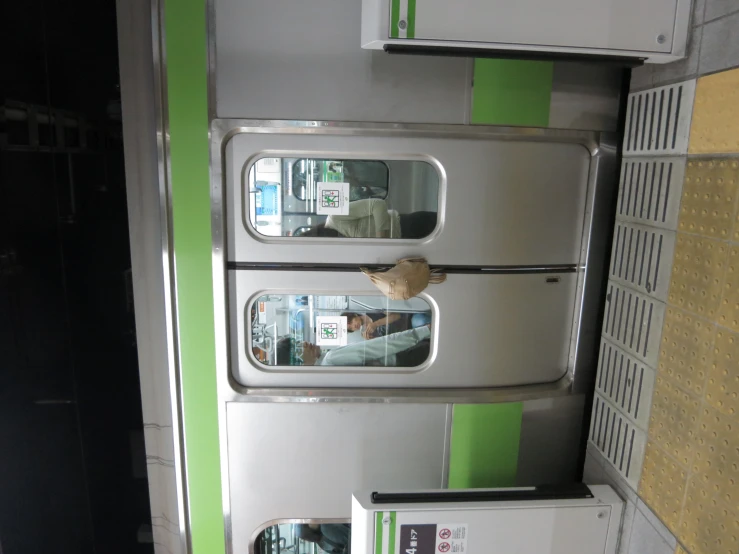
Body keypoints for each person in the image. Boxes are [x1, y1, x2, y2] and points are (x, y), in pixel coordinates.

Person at [275, 325, 431, 367]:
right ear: (297, 362)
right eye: (297, 347)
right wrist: (423, 331)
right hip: (407, 356)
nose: (305, 343)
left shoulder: (324, 368)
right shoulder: (331, 359)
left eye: (298, 341)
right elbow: (382, 345)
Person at [341, 310, 408, 340]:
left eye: (350, 322)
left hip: (406, 320)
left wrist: (376, 324)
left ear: (354, 315)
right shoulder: (365, 333)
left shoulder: (371, 310)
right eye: (350, 328)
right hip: (402, 336)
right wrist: (373, 340)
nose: (353, 326)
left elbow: (397, 315)